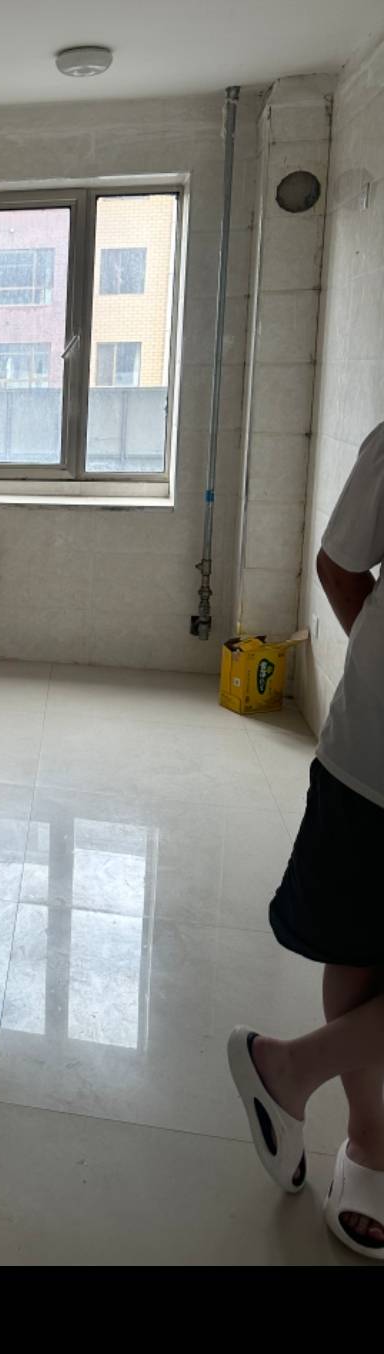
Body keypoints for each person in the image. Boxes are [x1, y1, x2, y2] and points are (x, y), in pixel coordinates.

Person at [228, 418, 384, 1259]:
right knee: (357, 946)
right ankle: (371, 1138)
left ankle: (294, 1069)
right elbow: (340, 565)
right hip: (375, 758)